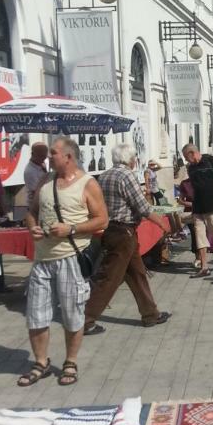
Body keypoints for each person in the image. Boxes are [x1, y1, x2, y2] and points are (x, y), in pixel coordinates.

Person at [17, 138, 108, 387]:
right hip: (42, 259)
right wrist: (33, 227)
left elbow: (102, 220)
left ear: (68, 156)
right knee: (36, 314)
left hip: (70, 257)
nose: (49, 157)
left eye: (54, 153)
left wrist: (72, 228)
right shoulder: (46, 181)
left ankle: (70, 361)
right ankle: (41, 362)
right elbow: (31, 212)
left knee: (71, 313)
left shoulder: (88, 184)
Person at [83, 144, 171, 335]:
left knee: (137, 274)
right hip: (123, 232)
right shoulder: (127, 175)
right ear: (131, 160)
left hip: (111, 230)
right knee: (109, 278)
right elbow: (143, 207)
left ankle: (150, 314)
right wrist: (162, 223)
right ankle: (85, 320)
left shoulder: (104, 175)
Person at [182, 143, 213, 276]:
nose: (186, 160)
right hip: (198, 207)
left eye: (186, 157)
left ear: (192, 153)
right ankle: (204, 267)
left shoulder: (211, 160)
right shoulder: (190, 168)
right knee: (199, 236)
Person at [23, 142, 49, 207]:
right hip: (36, 206)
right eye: (40, 156)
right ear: (32, 154)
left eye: (44, 156)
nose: (43, 159)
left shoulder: (43, 163)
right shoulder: (30, 172)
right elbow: (36, 192)